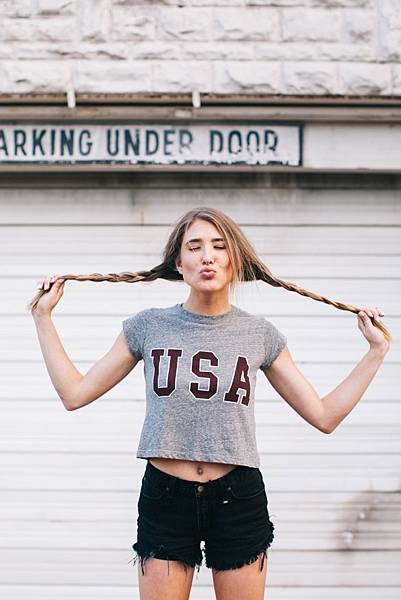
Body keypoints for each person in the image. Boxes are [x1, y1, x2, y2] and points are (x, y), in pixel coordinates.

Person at [30, 206, 390, 600]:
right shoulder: (148, 326)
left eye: (219, 246)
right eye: (195, 246)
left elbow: (324, 416)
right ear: (178, 262)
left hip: (238, 498)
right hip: (166, 497)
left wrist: (375, 352)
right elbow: (74, 394)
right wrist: (43, 318)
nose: (207, 256)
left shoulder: (259, 335)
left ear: (234, 259)